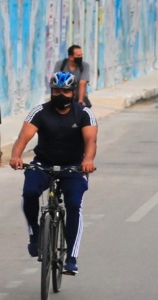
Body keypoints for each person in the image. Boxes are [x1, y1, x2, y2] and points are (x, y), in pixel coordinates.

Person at [9, 71, 98, 275]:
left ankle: (71, 258)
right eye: (56, 90)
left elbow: (90, 141)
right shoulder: (40, 111)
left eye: (65, 91)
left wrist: (88, 160)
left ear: (73, 92)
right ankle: (35, 233)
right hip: (43, 164)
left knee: (74, 205)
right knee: (30, 193)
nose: (61, 94)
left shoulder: (84, 114)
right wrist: (16, 156)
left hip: (74, 166)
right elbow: (23, 137)